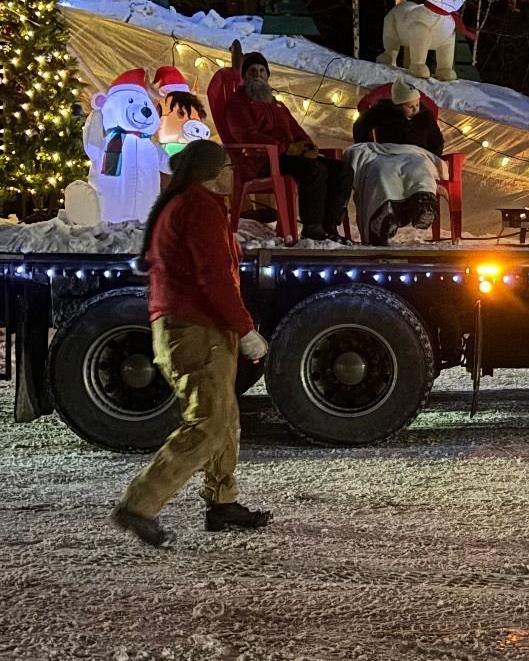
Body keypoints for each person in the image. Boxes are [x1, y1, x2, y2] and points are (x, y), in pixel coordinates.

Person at [111, 142, 271, 550]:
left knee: (223, 414)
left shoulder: (188, 202)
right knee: (209, 421)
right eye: (229, 166)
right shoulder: (198, 206)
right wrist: (245, 328)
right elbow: (214, 277)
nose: (233, 173)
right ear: (214, 171)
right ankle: (139, 504)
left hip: (192, 326)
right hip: (196, 327)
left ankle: (222, 501)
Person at [223, 49, 353, 242]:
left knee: (342, 169)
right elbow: (247, 135)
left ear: (267, 75)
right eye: (252, 71)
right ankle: (312, 227)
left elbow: (296, 129)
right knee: (314, 170)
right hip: (259, 160)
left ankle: (330, 225)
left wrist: (308, 146)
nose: (258, 75)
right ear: (245, 76)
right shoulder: (237, 104)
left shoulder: (276, 104)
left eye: (261, 71)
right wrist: (286, 148)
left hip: (286, 157)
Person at [347, 81, 445, 244]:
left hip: (416, 154)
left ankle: (423, 204)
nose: (415, 109)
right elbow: (360, 126)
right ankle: (384, 213)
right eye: (409, 106)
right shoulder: (382, 112)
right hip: (387, 154)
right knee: (381, 171)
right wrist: (367, 146)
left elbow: (436, 141)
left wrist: (431, 156)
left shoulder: (425, 116)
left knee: (420, 168)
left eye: (417, 105)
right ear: (397, 105)